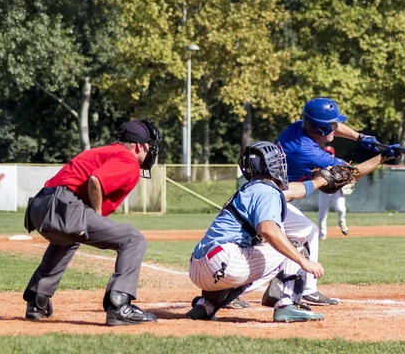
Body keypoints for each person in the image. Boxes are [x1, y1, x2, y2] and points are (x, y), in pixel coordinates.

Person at [22, 119, 162, 326]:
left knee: (66, 240)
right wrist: (96, 215)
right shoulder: (128, 160)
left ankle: (38, 299)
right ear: (140, 146)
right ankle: (119, 305)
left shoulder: (102, 152)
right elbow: (96, 180)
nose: (150, 153)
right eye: (150, 147)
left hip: (39, 206)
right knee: (134, 239)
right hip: (64, 206)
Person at [272, 97, 402, 306]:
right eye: (330, 125)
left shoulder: (297, 128)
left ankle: (226, 290)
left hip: (270, 193)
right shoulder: (308, 151)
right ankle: (308, 290)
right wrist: (382, 157)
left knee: (262, 242)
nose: (335, 128)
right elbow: (349, 173)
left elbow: (334, 127)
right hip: (274, 200)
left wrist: (360, 137)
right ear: (319, 128)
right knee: (308, 232)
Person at [187, 141, 334, 322]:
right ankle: (286, 305)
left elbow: (295, 191)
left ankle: (206, 305)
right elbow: (268, 229)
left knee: (252, 247)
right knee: (293, 245)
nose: (281, 164)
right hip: (223, 261)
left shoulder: (250, 190)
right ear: (271, 165)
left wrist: (321, 181)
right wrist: (304, 262)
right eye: (278, 161)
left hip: (197, 266)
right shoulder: (267, 192)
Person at [317, 145, 351, 240]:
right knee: (322, 213)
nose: (328, 155)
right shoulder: (319, 163)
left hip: (337, 190)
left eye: (330, 153)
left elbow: (349, 172)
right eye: (326, 153)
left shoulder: (339, 163)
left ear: (334, 154)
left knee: (341, 209)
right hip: (324, 190)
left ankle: (342, 223)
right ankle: (322, 234)